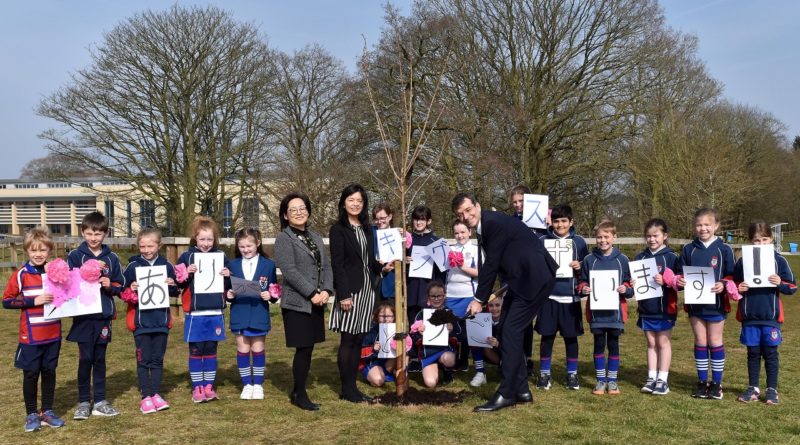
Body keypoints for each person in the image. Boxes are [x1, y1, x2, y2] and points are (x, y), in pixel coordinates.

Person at [454, 192, 557, 412]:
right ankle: (521, 390)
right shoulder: (485, 227)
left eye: (468, 210)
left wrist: (479, 299)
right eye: (460, 214)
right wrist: (482, 296)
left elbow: (492, 264)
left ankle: (507, 392)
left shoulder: (492, 223)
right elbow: (487, 264)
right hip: (521, 281)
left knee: (510, 331)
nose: (465, 216)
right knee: (508, 332)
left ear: (477, 206)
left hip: (534, 279)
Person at [274, 192, 333, 411]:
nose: (299, 213)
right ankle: (300, 393)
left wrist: (326, 290)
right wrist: (312, 293)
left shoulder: (316, 237)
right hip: (297, 302)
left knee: (309, 349)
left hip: (317, 301)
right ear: (285, 215)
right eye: (293, 210)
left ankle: (298, 389)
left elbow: (326, 266)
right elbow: (289, 271)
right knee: (303, 347)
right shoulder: (284, 239)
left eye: (302, 208)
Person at [3, 227, 66, 432]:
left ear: (50, 251)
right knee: (31, 374)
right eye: (34, 250)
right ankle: (31, 414)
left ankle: (47, 411)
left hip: (53, 333)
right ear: (27, 251)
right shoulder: (21, 275)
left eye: (43, 250)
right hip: (30, 336)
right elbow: (7, 302)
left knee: (49, 372)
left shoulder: (56, 273)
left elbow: (69, 294)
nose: (38, 254)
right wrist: (33, 301)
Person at [67, 211, 125, 419]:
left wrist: (110, 286)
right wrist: (86, 271)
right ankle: (83, 401)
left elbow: (121, 284)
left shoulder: (112, 258)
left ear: (106, 234)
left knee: (99, 359)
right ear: (83, 232)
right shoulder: (74, 256)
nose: (94, 238)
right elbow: (67, 283)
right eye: (90, 233)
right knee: (85, 359)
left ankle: (100, 400)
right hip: (83, 316)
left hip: (103, 317)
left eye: (98, 234)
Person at [329, 183, 384, 403]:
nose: (355, 204)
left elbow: (370, 262)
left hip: (368, 291)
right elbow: (338, 265)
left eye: (359, 201)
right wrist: (343, 294)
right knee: (348, 340)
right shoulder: (338, 230)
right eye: (351, 200)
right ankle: (347, 389)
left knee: (359, 339)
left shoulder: (368, 229)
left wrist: (383, 267)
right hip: (349, 292)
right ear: (344, 202)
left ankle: (352, 388)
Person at [675, 208, 735, 400]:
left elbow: (732, 275)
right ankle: (702, 382)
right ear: (694, 226)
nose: (703, 228)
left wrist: (724, 284)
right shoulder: (688, 249)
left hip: (716, 305)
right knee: (701, 342)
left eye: (707, 224)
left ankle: (717, 384)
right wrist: (680, 281)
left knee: (715, 342)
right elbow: (678, 274)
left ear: (716, 225)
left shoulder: (724, 249)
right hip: (695, 306)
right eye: (699, 225)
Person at [734, 221, 796, 405]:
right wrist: (739, 287)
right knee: (753, 353)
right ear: (750, 241)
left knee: (770, 353)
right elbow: (732, 285)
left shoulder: (779, 260)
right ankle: (753, 387)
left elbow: (792, 287)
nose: (760, 244)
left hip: (770, 317)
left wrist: (780, 282)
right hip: (750, 316)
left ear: (771, 239)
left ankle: (772, 389)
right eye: (756, 240)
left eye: (764, 240)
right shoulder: (743, 260)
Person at [121, 227, 178, 413]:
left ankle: (156, 393)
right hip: (141, 322)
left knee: (157, 359)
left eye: (150, 246)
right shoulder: (132, 266)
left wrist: (172, 285)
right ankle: (145, 396)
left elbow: (175, 291)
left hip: (161, 321)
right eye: (142, 246)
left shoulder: (167, 265)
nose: (146, 250)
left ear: (159, 245)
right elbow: (123, 291)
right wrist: (131, 287)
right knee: (143, 360)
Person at [177, 216, 231, 404]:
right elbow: (177, 281)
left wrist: (227, 275)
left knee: (211, 349)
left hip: (215, 312)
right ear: (195, 238)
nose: (206, 243)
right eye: (202, 239)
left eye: (209, 239)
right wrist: (186, 273)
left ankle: (209, 385)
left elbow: (229, 284)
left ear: (214, 239)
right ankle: (197, 387)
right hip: (195, 314)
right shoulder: (186, 257)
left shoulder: (221, 256)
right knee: (196, 350)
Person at [535, 204, 588, 391]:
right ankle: (544, 374)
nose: (560, 225)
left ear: (571, 222)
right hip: (548, 297)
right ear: (551, 222)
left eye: (564, 221)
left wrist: (580, 266)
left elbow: (587, 269)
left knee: (571, 338)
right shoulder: (541, 240)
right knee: (547, 336)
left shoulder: (579, 242)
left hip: (570, 297)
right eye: (556, 221)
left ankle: (572, 374)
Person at [578, 220, 634, 395]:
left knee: (614, 345)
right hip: (596, 314)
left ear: (614, 237)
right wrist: (583, 288)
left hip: (615, 314)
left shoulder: (623, 260)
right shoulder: (589, 259)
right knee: (599, 345)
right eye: (599, 237)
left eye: (606, 237)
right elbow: (582, 282)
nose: (602, 240)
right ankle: (601, 380)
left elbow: (630, 285)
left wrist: (626, 289)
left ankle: (613, 381)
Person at [227, 228, 278, 400]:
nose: (245, 249)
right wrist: (229, 294)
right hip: (239, 313)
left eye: (249, 245)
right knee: (242, 348)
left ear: (258, 243)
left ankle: (258, 384)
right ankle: (246, 384)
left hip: (259, 313)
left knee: (258, 348)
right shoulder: (232, 265)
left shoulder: (268, 265)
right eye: (241, 246)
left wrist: (270, 296)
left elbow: (274, 289)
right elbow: (227, 288)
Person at [633, 219, 678, 396]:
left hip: (665, 308)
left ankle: (663, 380)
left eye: (656, 235)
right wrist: (633, 283)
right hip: (646, 309)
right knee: (651, 343)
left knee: (663, 342)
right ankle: (651, 378)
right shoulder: (640, 258)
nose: (652, 239)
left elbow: (679, 283)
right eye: (648, 236)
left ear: (664, 236)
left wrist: (666, 281)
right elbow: (633, 282)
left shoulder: (672, 257)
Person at [508, 185, 538, 374]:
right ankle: (515, 359)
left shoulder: (541, 221)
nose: (518, 205)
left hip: (536, 275)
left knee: (528, 322)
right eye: (515, 202)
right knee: (514, 320)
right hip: (516, 276)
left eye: (522, 201)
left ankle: (527, 358)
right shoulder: (510, 222)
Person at [445, 219, 481, 380]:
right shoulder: (449, 249)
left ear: (470, 232)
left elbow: (482, 273)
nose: (459, 236)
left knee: (467, 330)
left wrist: (463, 267)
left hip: (468, 294)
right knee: (451, 329)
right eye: (457, 233)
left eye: (463, 232)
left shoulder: (476, 249)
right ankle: (450, 361)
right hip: (450, 294)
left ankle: (464, 360)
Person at [410, 282, 460, 389]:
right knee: (431, 383)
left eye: (439, 295)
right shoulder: (422, 314)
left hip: (444, 351)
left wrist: (451, 330)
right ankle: (432, 366)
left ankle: (447, 371)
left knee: (449, 359)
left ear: (444, 296)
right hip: (427, 353)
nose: (436, 298)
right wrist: (419, 333)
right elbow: (412, 338)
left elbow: (459, 334)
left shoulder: (449, 313)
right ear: (428, 297)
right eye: (433, 296)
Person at [406, 205, 445, 325]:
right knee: (414, 328)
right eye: (416, 219)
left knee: (430, 328)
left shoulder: (437, 241)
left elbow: (442, 272)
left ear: (429, 221)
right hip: (411, 293)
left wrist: (439, 293)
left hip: (430, 294)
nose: (418, 222)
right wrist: (404, 261)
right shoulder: (407, 240)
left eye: (422, 219)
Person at [359, 303, 400, 387]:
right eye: (382, 316)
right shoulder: (371, 331)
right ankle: (372, 374)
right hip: (374, 362)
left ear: (394, 317)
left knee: (404, 354)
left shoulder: (398, 330)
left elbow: (410, 349)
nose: (386, 319)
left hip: (390, 363)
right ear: (377, 317)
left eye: (389, 316)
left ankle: (392, 372)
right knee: (378, 381)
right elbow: (360, 353)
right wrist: (373, 349)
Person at [372, 202, 400, 301]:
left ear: (390, 217)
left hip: (391, 285)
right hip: (372, 283)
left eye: (382, 218)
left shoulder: (398, 234)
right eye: (376, 219)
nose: (379, 221)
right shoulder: (369, 234)